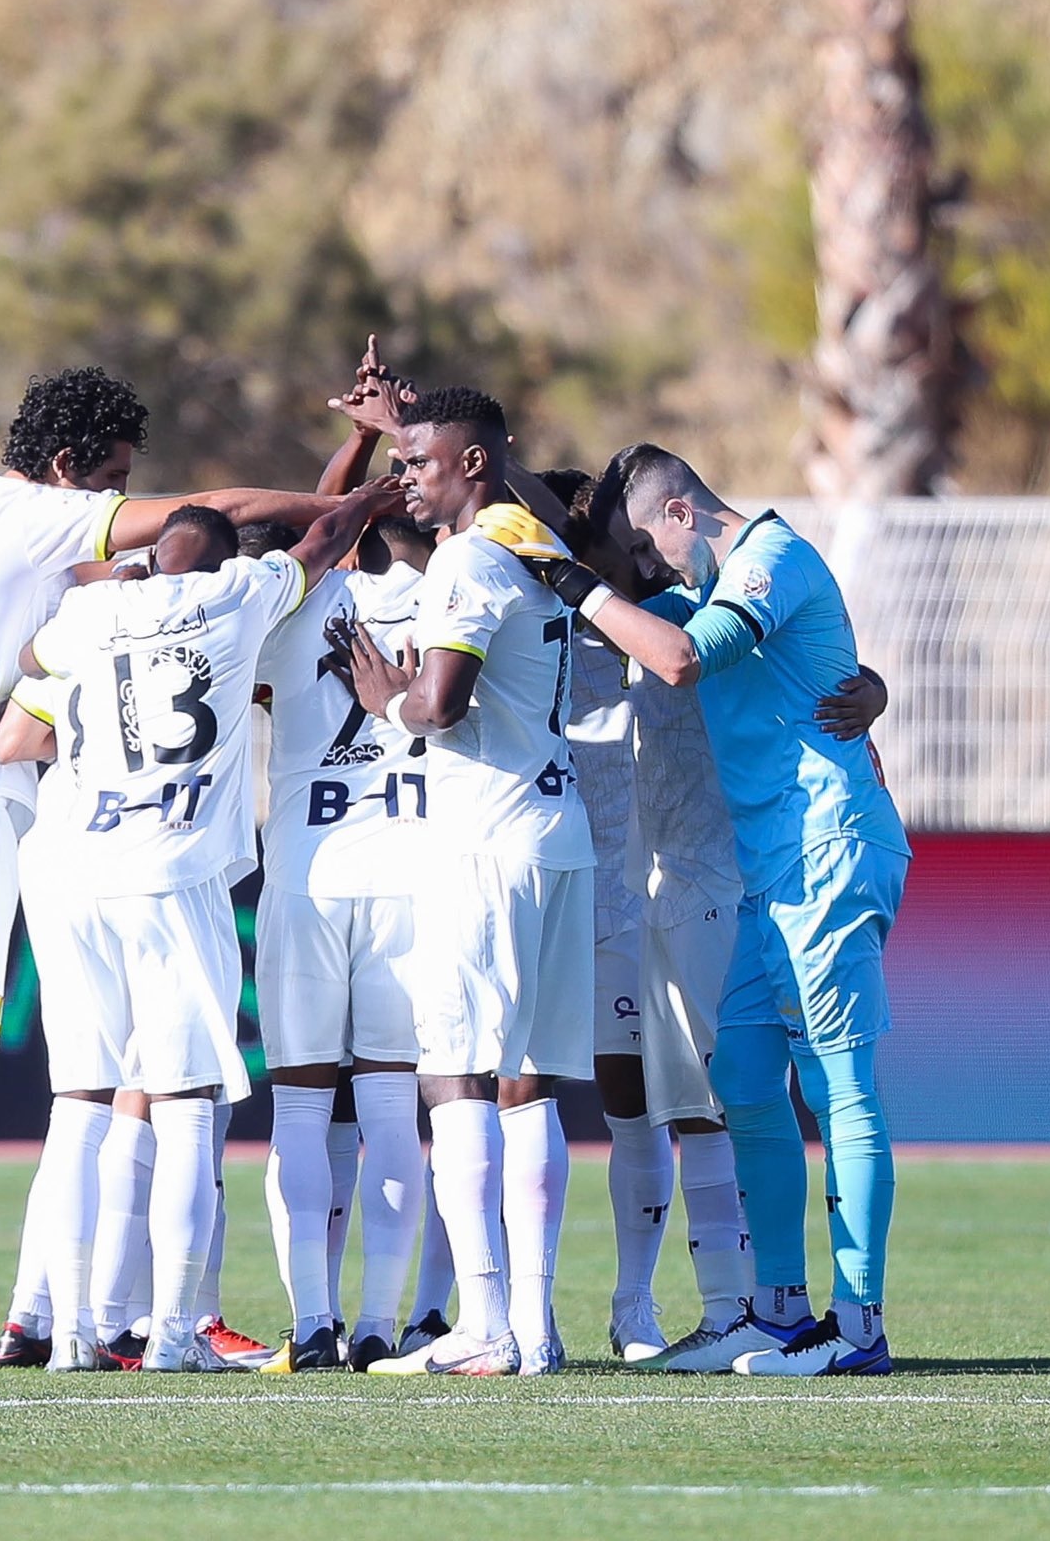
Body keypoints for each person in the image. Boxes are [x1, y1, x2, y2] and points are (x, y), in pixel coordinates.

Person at [0, 366, 339, 1373]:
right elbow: (213, 513)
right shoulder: (35, 517)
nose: (119, 512)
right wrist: (347, 501)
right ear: (66, 467)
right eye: (107, 481)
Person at [512, 445, 912, 1377]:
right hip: (766, 871)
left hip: (828, 845)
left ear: (682, 512)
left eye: (652, 547)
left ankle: (859, 1329)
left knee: (838, 1087)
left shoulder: (770, 561)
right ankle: (774, 1315)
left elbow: (682, 660)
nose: (651, 571)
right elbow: (606, 564)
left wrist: (577, 586)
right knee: (741, 1080)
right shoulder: (708, 582)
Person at [0, 481, 400, 1371]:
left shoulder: (96, 608)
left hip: (76, 876)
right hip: (171, 872)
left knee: (80, 1106)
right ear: (224, 560)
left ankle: (71, 1335)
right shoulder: (239, 593)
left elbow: (29, 656)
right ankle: (176, 1333)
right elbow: (327, 535)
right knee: (184, 1109)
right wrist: (370, 494)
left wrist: (125, 591)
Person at [340, 387, 596, 1378]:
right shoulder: (535, 553)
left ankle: (486, 1322)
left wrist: (389, 699)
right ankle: (533, 1327)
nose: (408, 477)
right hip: (555, 833)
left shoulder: (467, 558)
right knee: (527, 1084)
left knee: (454, 1071)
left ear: (477, 465)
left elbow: (440, 707)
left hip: (485, 843)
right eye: (404, 460)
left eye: (424, 460)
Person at [254, 507, 433, 1372]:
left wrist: (357, 455)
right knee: (395, 1110)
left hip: (305, 881)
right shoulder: (442, 598)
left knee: (299, 1109)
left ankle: (314, 1325)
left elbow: (318, 525)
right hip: (408, 876)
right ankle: (379, 1325)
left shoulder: (289, 612)